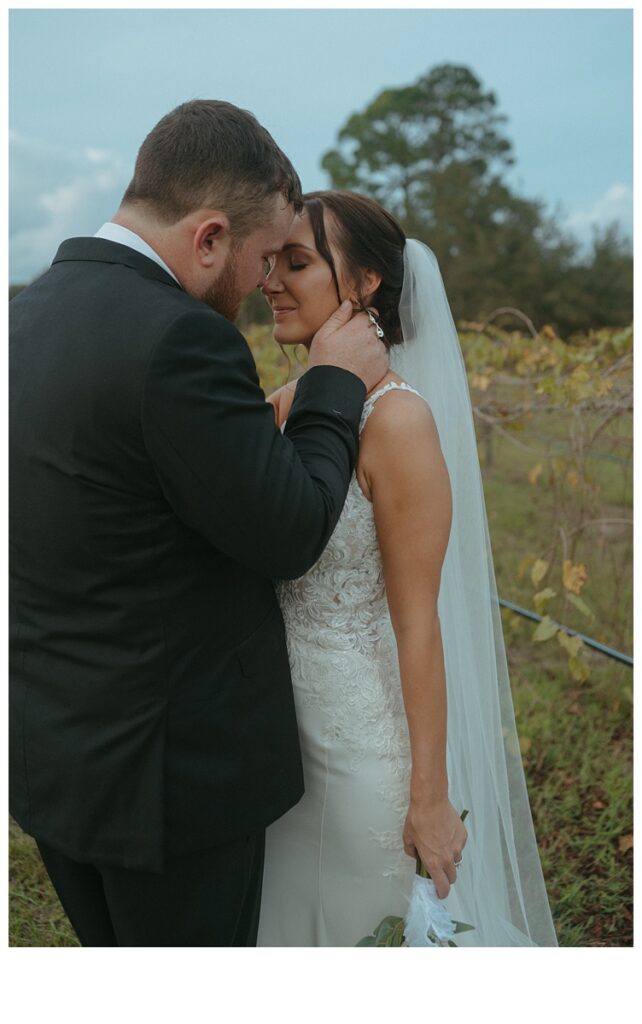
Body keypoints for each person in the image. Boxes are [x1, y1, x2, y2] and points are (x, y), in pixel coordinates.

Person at [9, 103, 389, 947]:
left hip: (59, 769)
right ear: (209, 236)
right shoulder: (179, 339)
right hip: (171, 788)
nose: (265, 284)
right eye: (261, 259)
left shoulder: (26, 316)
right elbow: (290, 533)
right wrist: (335, 386)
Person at [257, 191, 558, 947]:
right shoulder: (281, 405)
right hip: (267, 752)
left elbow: (418, 621)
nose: (271, 281)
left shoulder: (397, 422)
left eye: (298, 262)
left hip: (352, 758)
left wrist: (429, 793)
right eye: (271, 261)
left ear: (362, 286)